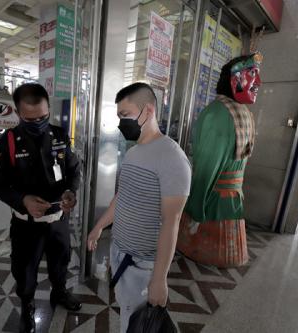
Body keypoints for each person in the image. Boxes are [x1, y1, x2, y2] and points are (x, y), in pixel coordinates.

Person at [87, 82, 192, 333]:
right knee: (129, 316)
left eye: (126, 115)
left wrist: (159, 279)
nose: (122, 123)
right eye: (120, 116)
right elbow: (123, 196)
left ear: (148, 110)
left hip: (143, 265)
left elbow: (171, 222)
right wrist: (99, 227)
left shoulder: (172, 158)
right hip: (121, 253)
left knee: (138, 325)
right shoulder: (134, 152)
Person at [0, 83, 82, 333]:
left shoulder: (60, 136)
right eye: (30, 119)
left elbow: (74, 170)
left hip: (58, 220)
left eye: (43, 117)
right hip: (25, 225)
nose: (38, 123)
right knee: (25, 271)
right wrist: (23, 201)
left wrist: (70, 191)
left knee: (61, 262)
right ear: (18, 112)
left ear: (49, 109)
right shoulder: (7, 142)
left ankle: (59, 293)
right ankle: (27, 306)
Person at [176, 53, 262, 268]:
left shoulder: (216, 113)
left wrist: (196, 206)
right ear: (235, 80)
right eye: (252, 74)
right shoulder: (245, 114)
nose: (258, 82)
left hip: (211, 200)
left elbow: (207, 168)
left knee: (201, 251)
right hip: (234, 196)